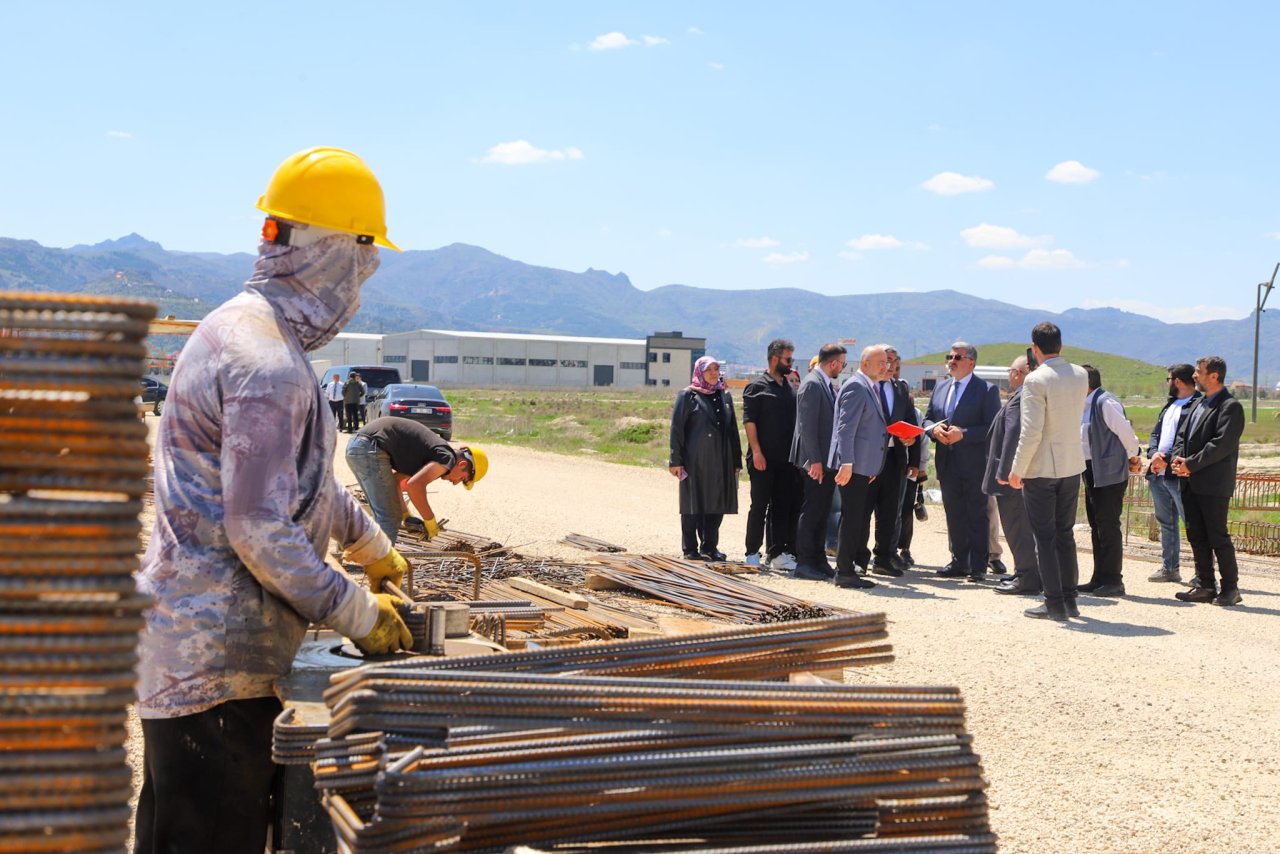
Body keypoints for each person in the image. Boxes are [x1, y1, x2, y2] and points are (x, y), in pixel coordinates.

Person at [134, 147, 413, 854]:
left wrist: (370, 545)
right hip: (214, 669)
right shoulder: (263, 361)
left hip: (213, 654)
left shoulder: (257, 335)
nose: (361, 282)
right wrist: (356, 611)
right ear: (328, 253)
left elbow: (300, 482)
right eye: (361, 259)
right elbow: (259, 525)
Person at [1008, 323, 1090, 621]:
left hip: (1042, 467)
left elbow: (1031, 432)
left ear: (1035, 347)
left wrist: (1017, 469)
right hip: (1071, 463)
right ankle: (1069, 598)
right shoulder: (1080, 374)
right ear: (1061, 346)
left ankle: (1053, 601)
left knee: (1044, 536)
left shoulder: (1035, 380)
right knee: (1064, 534)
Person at [923, 341, 1001, 581]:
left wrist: (963, 434)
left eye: (957, 357)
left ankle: (978, 566)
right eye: (950, 356)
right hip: (947, 463)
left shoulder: (987, 390)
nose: (952, 361)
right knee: (954, 512)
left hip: (974, 463)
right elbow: (927, 420)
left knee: (976, 514)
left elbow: (993, 427)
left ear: (971, 362)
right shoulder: (941, 388)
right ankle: (959, 561)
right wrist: (933, 431)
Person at [1172, 356, 1246, 606]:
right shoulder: (1197, 404)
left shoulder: (1230, 407)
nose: (1194, 375)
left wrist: (1190, 464)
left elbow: (1221, 445)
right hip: (1190, 482)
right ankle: (1205, 585)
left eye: (1198, 371)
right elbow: (1182, 435)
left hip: (1213, 484)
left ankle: (1230, 589)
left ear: (1214, 376)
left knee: (1217, 537)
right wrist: (1177, 459)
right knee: (1196, 536)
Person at [346, 416, 489, 544]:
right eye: (463, 479)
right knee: (388, 517)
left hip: (359, 445)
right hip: (370, 448)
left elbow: (396, 482)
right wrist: (430, 520)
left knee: (385, 513)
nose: (455, 483)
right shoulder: (447, 457)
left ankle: (361, 553)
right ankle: (381, 567)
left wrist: (406, 515)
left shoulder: (432, 453)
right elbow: (415, 486)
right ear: (462, 464)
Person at [669, 355, 742, 560]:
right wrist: (676, 460)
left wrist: (736, 460)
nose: (713, 373)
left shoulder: (724, 396)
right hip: (695, 461)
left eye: (716, 369)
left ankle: (709, 547)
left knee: (717, 504)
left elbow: (733, 430)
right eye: (709, 369)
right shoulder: (687, 395)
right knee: (693, 505)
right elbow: (677, 430)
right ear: (699, 371)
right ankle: (690, 549)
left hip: (722, 460)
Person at [829, 345, 890, 590]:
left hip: (863, 466)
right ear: (865, 364)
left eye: (887, 362)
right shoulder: (856, 386)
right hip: (852, 467)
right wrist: (847, 463)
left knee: (855, 518)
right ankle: (844, 572)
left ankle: (847, 568)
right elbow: (846, 428)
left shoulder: (871, 387)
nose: (885, 366)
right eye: (881, 362)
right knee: (852, 518)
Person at [1079, 365, 1142, 596]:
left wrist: (1133, 456)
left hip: (1109, 472)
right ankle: (1099, 578)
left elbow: (1127, 434)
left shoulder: (1106, 403)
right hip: (1090, 470)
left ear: (1086, 383)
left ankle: (1114, 580)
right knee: (1096, 525)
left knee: (1108, 525)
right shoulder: (1083, 405)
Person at [985, 355, 1042, 595]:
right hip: (1016, 472)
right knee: (1018, 527)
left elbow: (1013, 435)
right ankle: (1024, 571)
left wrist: (1005, 471)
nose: (1010, 375)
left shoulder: (1021, 398)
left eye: (1011, 371)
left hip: (1011, 475)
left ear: (1018, 373)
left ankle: (1027, 577)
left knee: (1017, 527)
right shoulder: (1022, 396)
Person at [742, 339, 802, 570]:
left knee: (781, 506)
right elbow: (749, 421)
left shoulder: (789, 388)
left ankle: (777, 553)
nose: (790, 364)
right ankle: (751, 553)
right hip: (762, 459)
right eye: (788, 359)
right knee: (759, 506)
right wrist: (756, 451)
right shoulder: (756, 387)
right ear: (775, 358)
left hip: (786, 460)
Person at [790, 343, 847, 580]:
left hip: (824, 460)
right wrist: (814, 460)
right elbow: (807, 427)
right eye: (842, 364)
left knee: (822, 510)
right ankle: (805, 562)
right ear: (833, 363)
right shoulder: (813, 384)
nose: (842, 369)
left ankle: (818, 559)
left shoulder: (823, 383)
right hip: (814, 461)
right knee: (813, 511)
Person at [1145, 364, 1200, 583]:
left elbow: (1189, 440)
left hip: (1178, 473)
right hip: (1158, 473)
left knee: (1191, 523)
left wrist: (1165, 459)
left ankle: (1202, 574)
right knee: (1166, 522)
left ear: (1176, 381)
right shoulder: (1169, 405)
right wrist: (1153, 454)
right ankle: (1170, 568)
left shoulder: (1198, 406)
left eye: (1168, 379)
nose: (1167, 383)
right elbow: (1155, 434)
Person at [868, 346, 919, 576]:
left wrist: (913, 458)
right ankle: (857, 556)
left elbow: (912, 424)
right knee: (862, 510)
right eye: (884, 361)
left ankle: (884, 557)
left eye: (892, 361)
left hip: (894, 459)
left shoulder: (901, 389)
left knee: (890, 511)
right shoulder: (865, 387)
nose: (888, 366)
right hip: (868, 459)